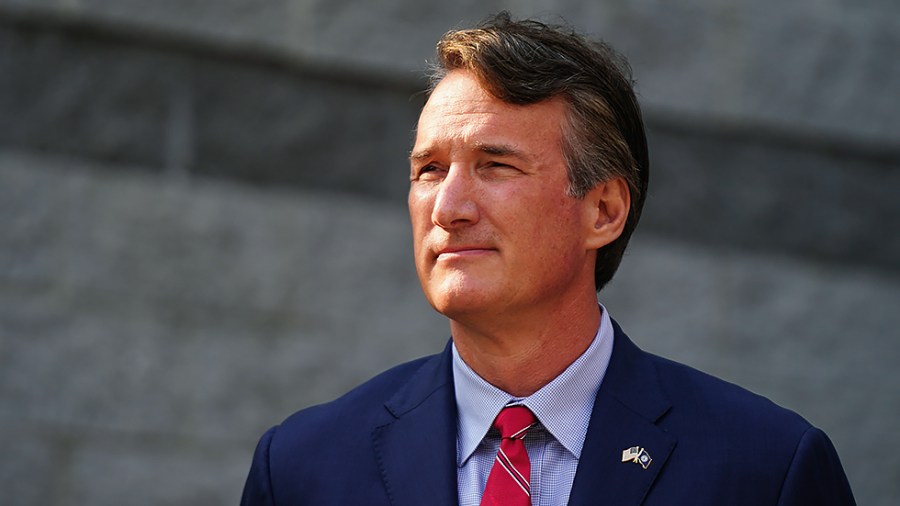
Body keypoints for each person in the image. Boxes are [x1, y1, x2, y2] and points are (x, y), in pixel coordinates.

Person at [240, 12, 856, 506]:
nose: (448, 207)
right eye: (429, 170)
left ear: (604, 211)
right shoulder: (301, 467)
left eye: (496, 166)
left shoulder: (767, 470)